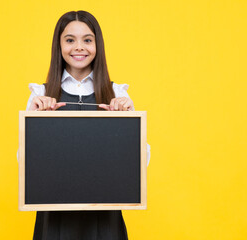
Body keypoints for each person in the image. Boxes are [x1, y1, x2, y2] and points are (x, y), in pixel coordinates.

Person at [22, 10, 151, 240]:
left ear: (97, 45)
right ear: (59, 46)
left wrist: (129, 120)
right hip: (55, 220)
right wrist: (37, 119)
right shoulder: (40, 95)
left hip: (104, 220)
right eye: (70, 40)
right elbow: (26, 164)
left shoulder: (117, 94)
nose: (79, 47)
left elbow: (141, 163)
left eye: (87, 40)